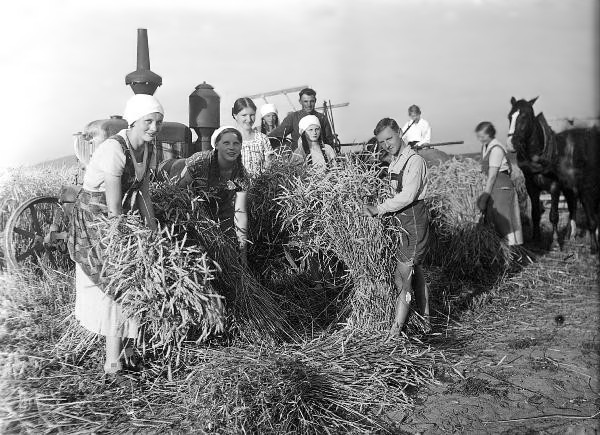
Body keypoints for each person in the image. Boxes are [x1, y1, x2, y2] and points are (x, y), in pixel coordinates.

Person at [67, 93, 163, 375]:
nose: (154, 128)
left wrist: (153, 231)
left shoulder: (147, 150)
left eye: (158, 122)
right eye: (149, 121)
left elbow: (144, 194)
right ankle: (112, 363)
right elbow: (112, 208)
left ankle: (129, 348)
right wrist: (122, 240)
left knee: (137, 280)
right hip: (96, 221)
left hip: (120, 216)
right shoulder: (114, 150)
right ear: (134, 120)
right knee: (115, 283)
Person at [361, 118, 430, 337]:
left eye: (389, 138)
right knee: (415, 273)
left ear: (400, 132)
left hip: (413, 220)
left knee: (403, 278)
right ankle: (426, 322)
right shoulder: (395, 161)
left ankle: (396, 330)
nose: (386, 144)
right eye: (382, 142)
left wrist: (378, 208)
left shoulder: (414, 161)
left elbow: (408, 196)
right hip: (402, 221)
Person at [167, 126, 250, 261]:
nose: (232, 147)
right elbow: (175, 193)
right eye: (226, 143)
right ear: (216, 145)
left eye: (236, 143)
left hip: (213, 206)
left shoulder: (241, 175)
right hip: (174, 173)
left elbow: (240, 213)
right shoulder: (199, 162)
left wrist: (242, 253)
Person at [475, 121, 523, 246]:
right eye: (478, 136)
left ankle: (514, 253)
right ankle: (503, 254)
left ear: (490, 134)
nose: (480, 139)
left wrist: (485, 195)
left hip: (501, 186)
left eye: (482, 136)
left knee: (505, 221)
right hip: (494, 187)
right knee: (495, 220)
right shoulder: (486, 147)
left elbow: (492, 175)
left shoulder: (496, 149)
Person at [268, 88, 335, 150]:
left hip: (319, 155)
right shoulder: (293, 117)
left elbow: (329, 141)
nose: (309, 104)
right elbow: (275, 136)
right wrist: (289, 146)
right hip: (299, 157)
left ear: (315, 101)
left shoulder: (322, 118)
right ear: (300, 101)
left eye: (312, 101)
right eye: (305, 101)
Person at [231, 97, 274, 176]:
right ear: (235, 116)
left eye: (252, 115)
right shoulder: (229, 140)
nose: (249, 119)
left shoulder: (262, 139)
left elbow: (269, 167)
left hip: (260, 186)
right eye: (244, 115)